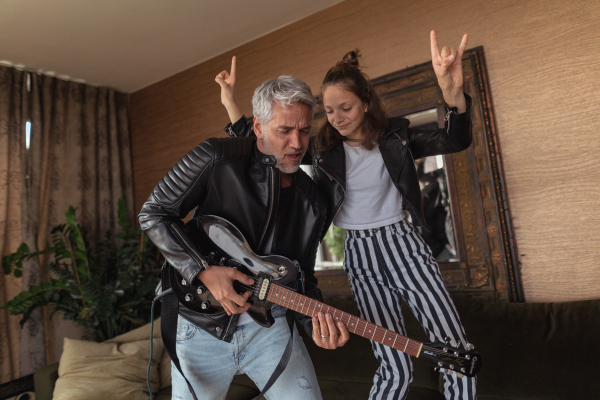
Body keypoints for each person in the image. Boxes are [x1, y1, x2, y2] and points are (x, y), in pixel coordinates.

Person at [216, 31, 477, 400]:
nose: (336, 117)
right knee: (392, 360)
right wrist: (230, 102)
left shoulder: (396, 137)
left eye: (346, 107)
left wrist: (452, 92)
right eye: (330, 109)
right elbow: (261, 144)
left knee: (454, 348)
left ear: (366, 104)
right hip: (358, 251)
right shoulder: (322, 149)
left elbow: (453, 140)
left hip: (401, 242)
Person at [138, 76, 349, 400]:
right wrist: (203, 270)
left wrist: (316, 326)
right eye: (284, 130)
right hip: (200, 324)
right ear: (259, 127)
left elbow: (301, 276)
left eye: (305, 130)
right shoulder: (215, 157)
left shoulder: (315, 204)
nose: (297, 143)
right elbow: (154, 213)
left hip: (271, 326)